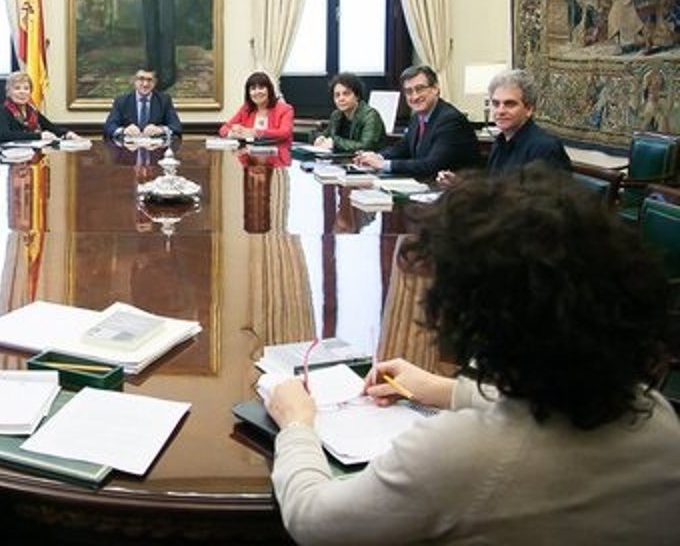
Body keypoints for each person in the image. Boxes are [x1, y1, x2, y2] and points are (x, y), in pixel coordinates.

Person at [265, 167, 678, 544]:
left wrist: (297, 423)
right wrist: (443, 390)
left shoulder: (459, 454)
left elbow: (313, 521)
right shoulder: (658, 418)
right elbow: (549, 402)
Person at [438, 68, 571, 185]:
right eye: (496, 104)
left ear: (529, 109)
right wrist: (461, 184)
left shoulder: (545, 148)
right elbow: (492, 189)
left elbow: (544, 202)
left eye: (509, 104)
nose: (500, 111)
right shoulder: (500, 142)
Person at [355, 65, 479, 176]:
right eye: (409, 91)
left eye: (420, 89)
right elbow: (402, 148)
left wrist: (383, 164)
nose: (414, 96)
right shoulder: (417, 117)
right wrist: (376, 157)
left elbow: (432, 165)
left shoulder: (450, 120)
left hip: (458, 191)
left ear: (435, 88)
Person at [0, 71, 78, 143]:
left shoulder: (32, 111)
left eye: (26, 88)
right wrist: (38, 136)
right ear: (9, 92)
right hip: (9, 155)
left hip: (31, 154)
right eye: (17, 88)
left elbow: (51, 127)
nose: (22, 92)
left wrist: (67, 133)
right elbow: (2, 135)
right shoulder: (2, 110)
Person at [103, 67, 183, 140]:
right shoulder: (122, 101)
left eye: (149, 80)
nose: (145, 84)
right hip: (128, 149)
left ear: (155, 82)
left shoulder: (164, 100)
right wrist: (123, 131)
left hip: (156, 148)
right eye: (141, 79)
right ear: (134, 81)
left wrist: (161, 130)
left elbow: (176, 126)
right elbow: (109, 127)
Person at [313, 72, 386, 152]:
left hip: (368, 158)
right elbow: (327, 134)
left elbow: (366, 146)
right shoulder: (336, 115)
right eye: (337, 95)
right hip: (342, 157)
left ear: (357, 96)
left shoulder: (371, 116)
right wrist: (320, 138)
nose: (341, 99)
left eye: (346, 94)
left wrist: (335, 143)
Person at [219, 71, 293, 142]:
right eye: (253, 89)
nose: (257, 92)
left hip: (277, 150)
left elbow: (284, 133)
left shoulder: (285, 109)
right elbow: (223, 129)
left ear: (269, 90)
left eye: (261, 88)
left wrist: (255, 132)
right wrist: (232, 133)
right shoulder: (246, 109)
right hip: (248, 150)